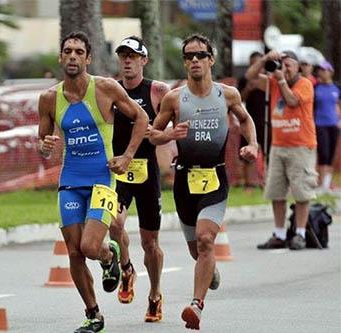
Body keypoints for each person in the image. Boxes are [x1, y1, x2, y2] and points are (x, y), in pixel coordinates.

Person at [38, 31, 148, 333]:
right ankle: (93, 314)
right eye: (67, 51)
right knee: (73, 251)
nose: (72, 56)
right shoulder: (49, 98)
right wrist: (44, 146)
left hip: (103, 179)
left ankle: (109, 253)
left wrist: (126, 156)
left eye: (78, 52)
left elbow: (141, 119)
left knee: (89, 246)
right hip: (70, 180)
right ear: (61, 58)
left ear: (88, 58)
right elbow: (42, 140)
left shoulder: (106, 88)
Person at [150, 34, 258, 330]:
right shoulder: (174, 98)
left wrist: (254, 145)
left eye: (200, 55)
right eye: (188, 56)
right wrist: (169, 136)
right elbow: (153, 134)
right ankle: (209, 270)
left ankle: (196, 306)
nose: (194, 60)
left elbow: (246, 120)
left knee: (206, 239)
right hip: (184, 180)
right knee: (196, 250)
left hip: (214, 176)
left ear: (211, 59)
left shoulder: (228, 94)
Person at [109, 36, 170, 322]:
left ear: (144, 60)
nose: (127, 61)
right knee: (114, 223)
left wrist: (176, 149)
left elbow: (174, 123)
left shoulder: (157, 91)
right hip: (120, 171)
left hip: (147, 175)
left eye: (133, 56)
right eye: (123, 56)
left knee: (150, 243)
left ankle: (155, 294)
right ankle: (127, 268)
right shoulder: (111, 91)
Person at [246, 50, 317, 251]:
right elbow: (250, 77)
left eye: (289, 66)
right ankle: (279, 234)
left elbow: (292, 101)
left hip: (301, 146)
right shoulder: (273, 83)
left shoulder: (305, 84)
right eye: (282, 64)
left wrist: (282, 81)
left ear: (298, 67)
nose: (284, 69)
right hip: (278, 146)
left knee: (302, 192)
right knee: (276, 192)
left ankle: (300, 234)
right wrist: (265, 59)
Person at [237, 51, 267, 189]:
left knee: (267, 152)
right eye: (254, 63)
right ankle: (248, 184)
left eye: (260, 63)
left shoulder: (268, 80)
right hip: (249, 120)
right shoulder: (245, 80)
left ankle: (266, 182)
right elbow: (239, 99)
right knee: (247, 153)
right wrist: (248, 88)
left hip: (266, 121)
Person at [314, 60, 340, 192]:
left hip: (333, 124)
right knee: (323, 152)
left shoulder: (336, 88)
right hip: (319, 124)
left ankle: (326, 184)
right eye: (320, 70)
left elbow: (338, 105)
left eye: (324, 70)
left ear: (330, 72)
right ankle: (320, 183)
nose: (321, 72)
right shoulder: (316, 87)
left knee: (331, 154)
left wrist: (339, 120)